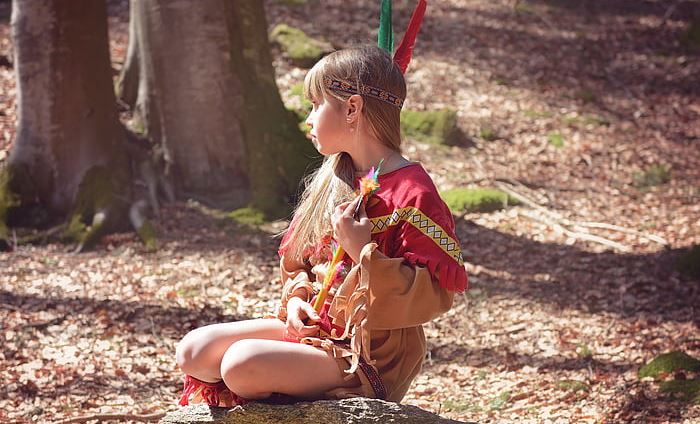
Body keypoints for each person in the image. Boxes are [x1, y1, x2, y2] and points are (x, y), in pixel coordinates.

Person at [175, 45, 467, 406]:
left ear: (352, 108)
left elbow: (435, 293)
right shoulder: (332, 180)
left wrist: (364, 252)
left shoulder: (413, 191)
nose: (309, 119)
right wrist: (297, 301)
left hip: (367, 354)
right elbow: (298, 262)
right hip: (317, 331)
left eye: (316, 104)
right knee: (194, 350)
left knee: (240, 364)